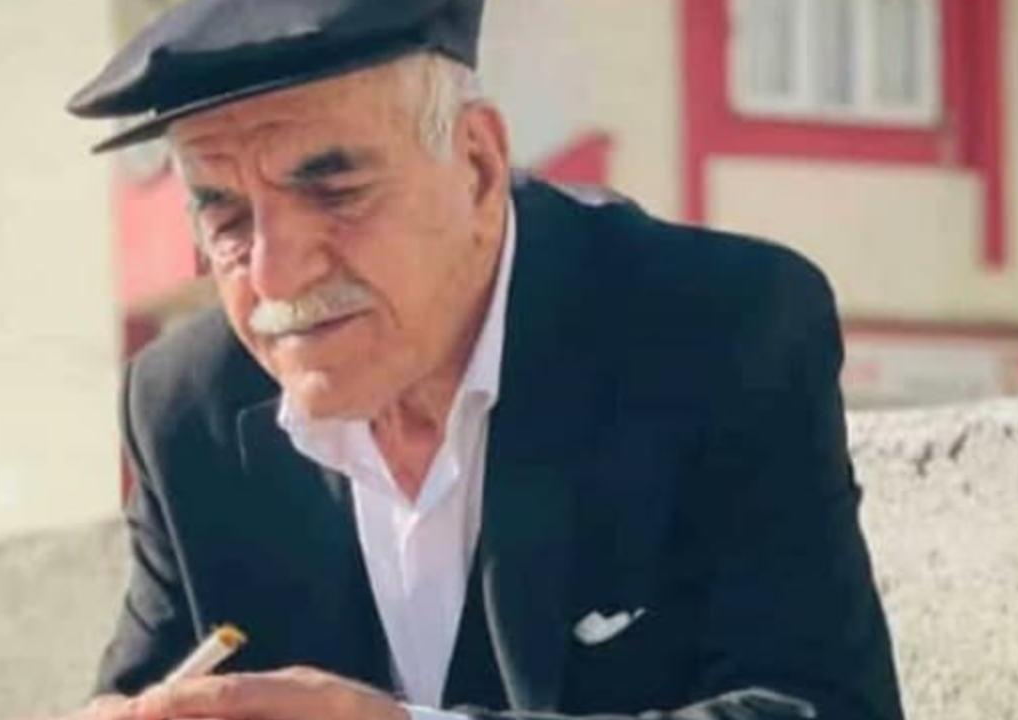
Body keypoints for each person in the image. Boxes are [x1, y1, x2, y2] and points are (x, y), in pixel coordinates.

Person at [59, 0, 904, 719]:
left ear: (477, 165)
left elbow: (819, 706)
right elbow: (146, 691)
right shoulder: (186, 408)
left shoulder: (721, 328)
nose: (276, 274)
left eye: (334, 191)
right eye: (225, 216)